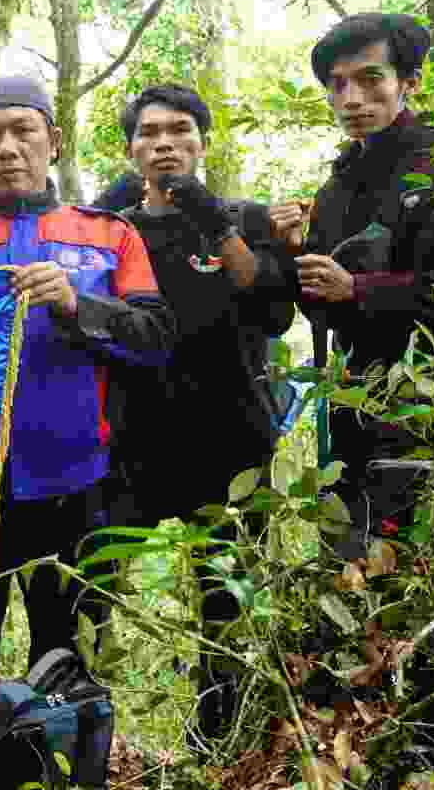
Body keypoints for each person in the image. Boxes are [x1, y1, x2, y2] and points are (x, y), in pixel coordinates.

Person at [0, 74, 174, 673]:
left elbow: (155, 340)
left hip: (76, 481)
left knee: (65, 650)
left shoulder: (108, 234)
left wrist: (77, 302)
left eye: (23, 131)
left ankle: (64, 764)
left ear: (52, 140)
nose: (6, 148)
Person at [268, 13, 434, 556]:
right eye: (338, 85)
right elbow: (324, 308)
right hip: (358, 410)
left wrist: (358, 288)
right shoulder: (337, 186)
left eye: (370, 79)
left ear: (410, 81)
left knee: (428, 580)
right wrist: (294, 256)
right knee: (353, 575)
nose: (351, 98)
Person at [108, 84, 296, 740]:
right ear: (131, 150)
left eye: (179, 130)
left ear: (202, 143)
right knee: (96, 581)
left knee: (224, 595)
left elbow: (272, 307)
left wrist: (214, 218)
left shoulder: (241, 217)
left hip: (230, 437)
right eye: (149, 132)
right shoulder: (111, 225)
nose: (164, 143)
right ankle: (88, 725)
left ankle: (216, 735)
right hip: (130, 439)